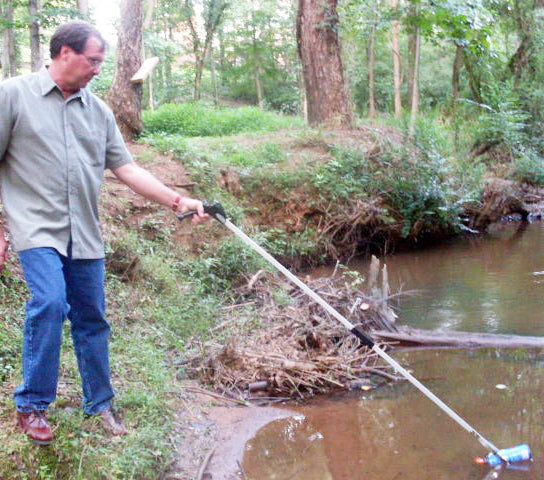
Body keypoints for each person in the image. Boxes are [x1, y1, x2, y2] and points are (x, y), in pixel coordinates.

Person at [0, 20, 208, 445]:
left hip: (86, 234)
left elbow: (127, 168)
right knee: (50, 303)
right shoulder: (13, 95)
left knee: (92, 318)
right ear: (64, 53)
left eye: (100, 62)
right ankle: (32, 403)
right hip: (35, 227)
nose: (98, 69)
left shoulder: (98, 111)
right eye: (93, 61)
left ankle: (100, 404)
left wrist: (176, 199)